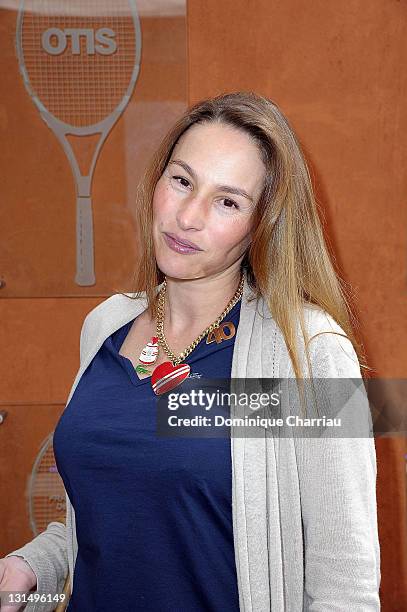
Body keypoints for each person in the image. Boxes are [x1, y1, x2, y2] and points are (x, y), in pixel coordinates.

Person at [0, 91, 381, 611]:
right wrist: (34, 565)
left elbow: (346, 587)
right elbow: (111, 517)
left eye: (228, 201)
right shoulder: (105, 327)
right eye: (182, 181)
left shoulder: (310, 354)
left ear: (261, 224)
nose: (187, 217)